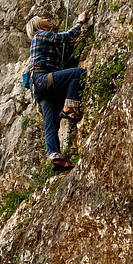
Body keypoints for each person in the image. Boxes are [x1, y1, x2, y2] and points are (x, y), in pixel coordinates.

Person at [25, 12, 87, 170]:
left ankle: (55, 157)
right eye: (43, 19)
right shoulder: (41, 35)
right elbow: (67, 37)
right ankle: (70, 108)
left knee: (51, 124)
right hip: (42, 80)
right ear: (38, 25)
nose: (47, 19)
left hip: (39, 87)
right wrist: (80, 22)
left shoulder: (42, 41)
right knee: (78, 73)